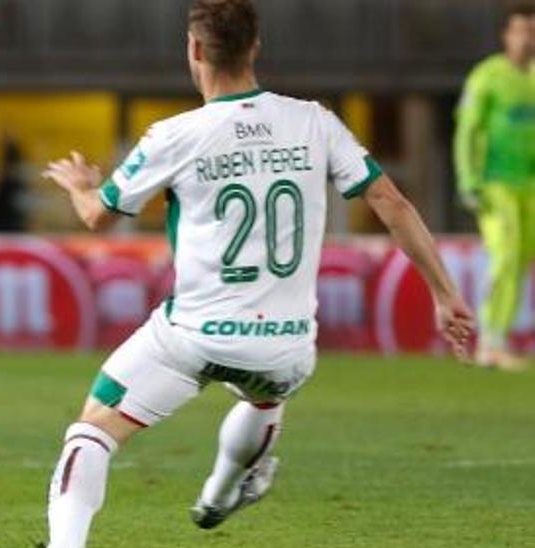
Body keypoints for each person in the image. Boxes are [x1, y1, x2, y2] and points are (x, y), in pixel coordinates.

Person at [39, 1, 474, 546]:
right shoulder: (315, 122)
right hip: (287, 348)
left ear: (195, 50)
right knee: (264, 395)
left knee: (93, 429)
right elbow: (390, 201)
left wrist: (80, 183)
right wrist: (444, 293)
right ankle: (221, 494)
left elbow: (97, 217)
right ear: (256, 48)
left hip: (193, 335)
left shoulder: (173, 135)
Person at [454, 1, 535, 371]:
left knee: (518, 260)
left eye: (532, 31)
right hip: (495, 183)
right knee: (503, 255)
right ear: (507, 35)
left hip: (529, 185)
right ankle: (489, 343)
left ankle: (499, 339)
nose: (527, 39)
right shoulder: (487, 76)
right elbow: (467, 130)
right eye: (521, 30)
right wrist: (468, 179)